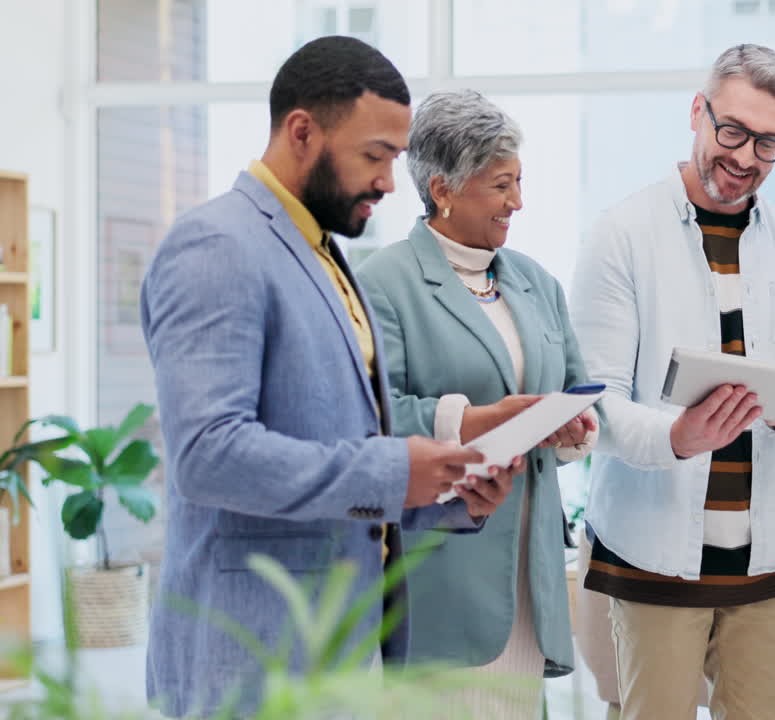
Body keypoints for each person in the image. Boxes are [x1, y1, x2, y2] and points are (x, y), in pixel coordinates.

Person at [140, 37, 518, 718]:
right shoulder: (218, 245)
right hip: (252, 660)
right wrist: (393, 472)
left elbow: (334, 444)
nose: (388, 182)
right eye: (374, 156)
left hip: (341, 651)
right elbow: (207, 455)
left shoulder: (323, 254)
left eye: (395, 159)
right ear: (302, 132)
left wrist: (447, 492)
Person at [570, 43, 775, 720]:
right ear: (698, 112)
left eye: (768, 142)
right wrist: (680, 437)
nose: (747, 157)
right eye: (732, 132)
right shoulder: (621, 235)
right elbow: (596, 404)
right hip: (651, 556)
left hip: (768, 565)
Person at [355, 89, 597, 719]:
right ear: (443, 189)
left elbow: (574, 388)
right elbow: (373, 417)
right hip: (444, 574)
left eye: (519, 182)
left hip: (531, 576)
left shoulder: (536, 282)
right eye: (501, 185)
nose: (517, 201)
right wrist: (470, 422)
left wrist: (574, 428)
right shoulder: (383, 282)